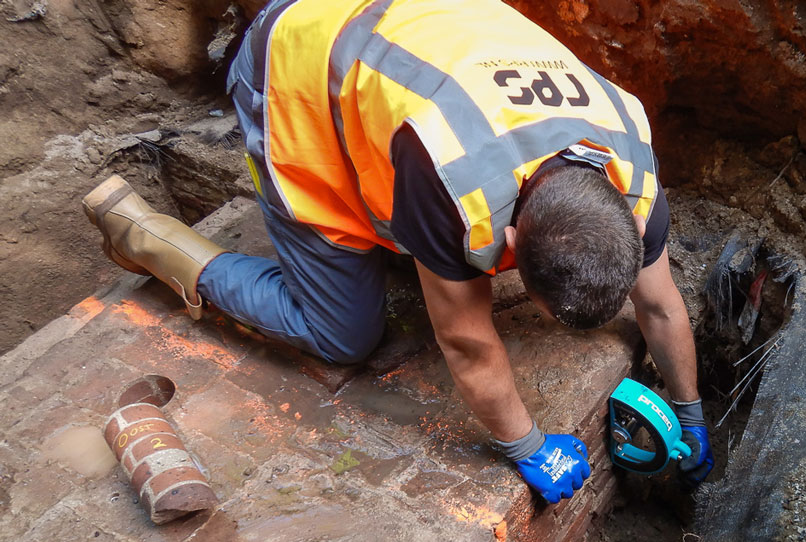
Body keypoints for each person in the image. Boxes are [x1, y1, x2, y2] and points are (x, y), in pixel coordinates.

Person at [80, 0, 714, 503]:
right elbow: (466, 341)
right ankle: (146, 237)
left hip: (396, 30)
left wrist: (690, 413)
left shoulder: (632, 158)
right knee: (343, 335)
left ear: (630, 223)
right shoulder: (450, 178)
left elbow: (660, 307)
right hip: (294, 67)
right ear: (513, 244)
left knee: (422, 244)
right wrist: (527, 447)